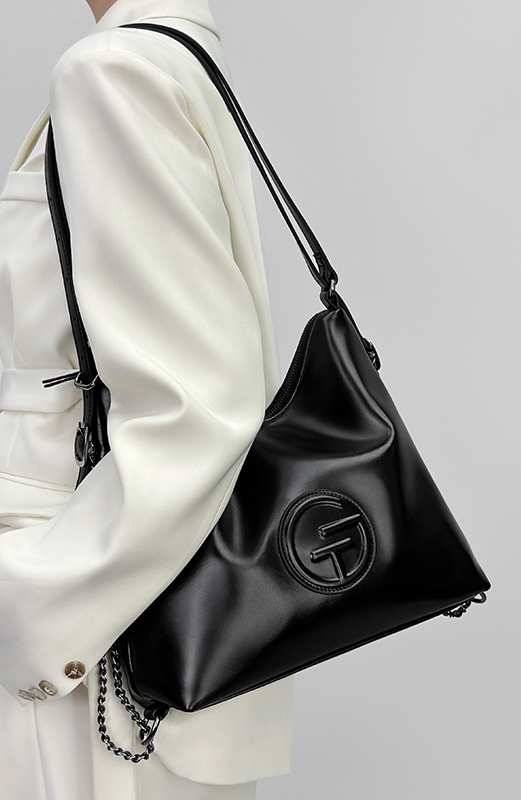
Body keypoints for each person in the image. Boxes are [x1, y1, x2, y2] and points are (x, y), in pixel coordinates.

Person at [0, 0, 295, 797]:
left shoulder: (114, 70)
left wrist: (26, 605)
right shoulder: (175, 55)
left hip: (98, 656)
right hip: (147, 644)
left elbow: (195, 411)